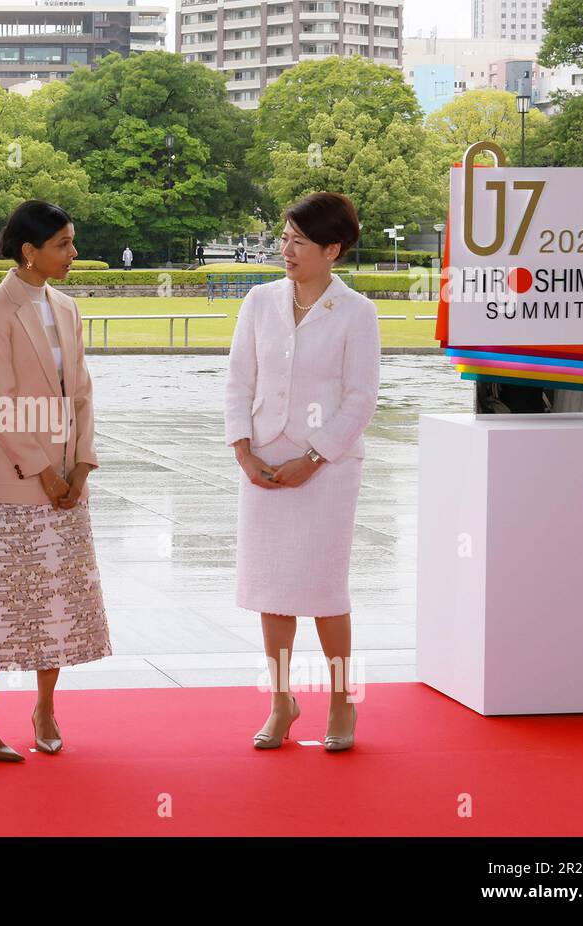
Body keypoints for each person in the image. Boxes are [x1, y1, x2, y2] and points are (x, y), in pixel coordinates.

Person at [223, 191, 380, 753]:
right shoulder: (258, 301)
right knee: (274, 591)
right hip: (263, 464)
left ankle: (341, 701)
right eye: (284, 237)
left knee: (325, 590)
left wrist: (314, 458)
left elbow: (362, 398)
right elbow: (239, 381)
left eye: (299, 241)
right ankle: (281, 700)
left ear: (332, 249)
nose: (285, 249)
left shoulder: (357, 312)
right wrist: (244, 452)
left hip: (328, 470)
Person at [0, 200, 112, 762]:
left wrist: (82, 465)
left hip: (69, 477)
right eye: (63, 244)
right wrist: (44, 472)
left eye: (72, 242)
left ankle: (45, 707)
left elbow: (84, 394)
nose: (73, 253)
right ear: (30, 251)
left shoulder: (66, 307)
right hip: (17, 476)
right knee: (13, 594)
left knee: (61, 597)